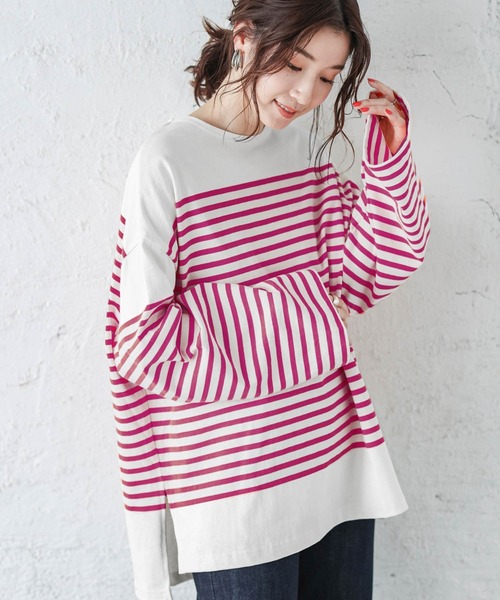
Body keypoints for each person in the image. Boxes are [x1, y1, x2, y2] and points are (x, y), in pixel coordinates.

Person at [105, 0, 429, 598]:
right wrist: (308, 319)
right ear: (244, 36)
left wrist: (389, 161)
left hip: (336, 459)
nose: (307, 94)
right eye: (296, 65)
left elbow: (367, 274)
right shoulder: (167, 161)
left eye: (327, 77)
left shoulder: (303, 149)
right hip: (234, 491)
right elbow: (143, 344)